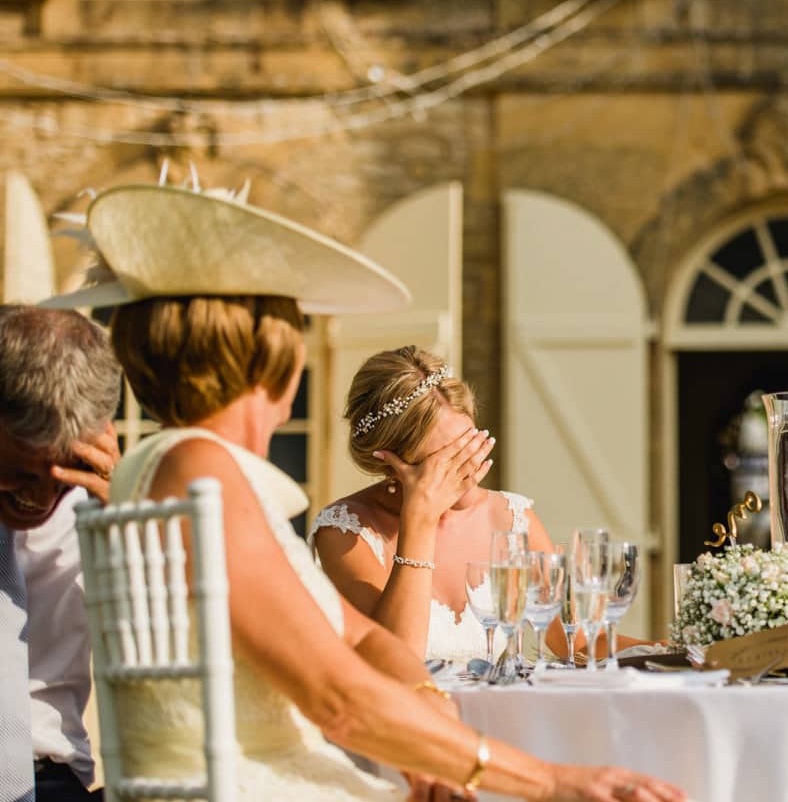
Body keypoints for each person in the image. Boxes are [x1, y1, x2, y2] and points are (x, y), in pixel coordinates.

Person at [45, 180, 683, 802]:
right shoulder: (200, 471)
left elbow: (358, 641)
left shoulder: (186, 466)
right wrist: (549, 782)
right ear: (278, 356)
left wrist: (436, 726)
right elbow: (338, 699)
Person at [311, 346, 547, 664]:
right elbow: (398, 662)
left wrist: (640, 654)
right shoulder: (345, 533)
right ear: (392, 465)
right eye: (445, 461)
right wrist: (419, 520)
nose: (467, 468)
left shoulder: (512, 517)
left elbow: (585, 639)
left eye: (472, 445)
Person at [0, 305, 121, 802]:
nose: (37, 497)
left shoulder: (103, 506)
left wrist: (126, 533)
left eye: (58, 475)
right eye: (22, 472)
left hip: (53, 781)